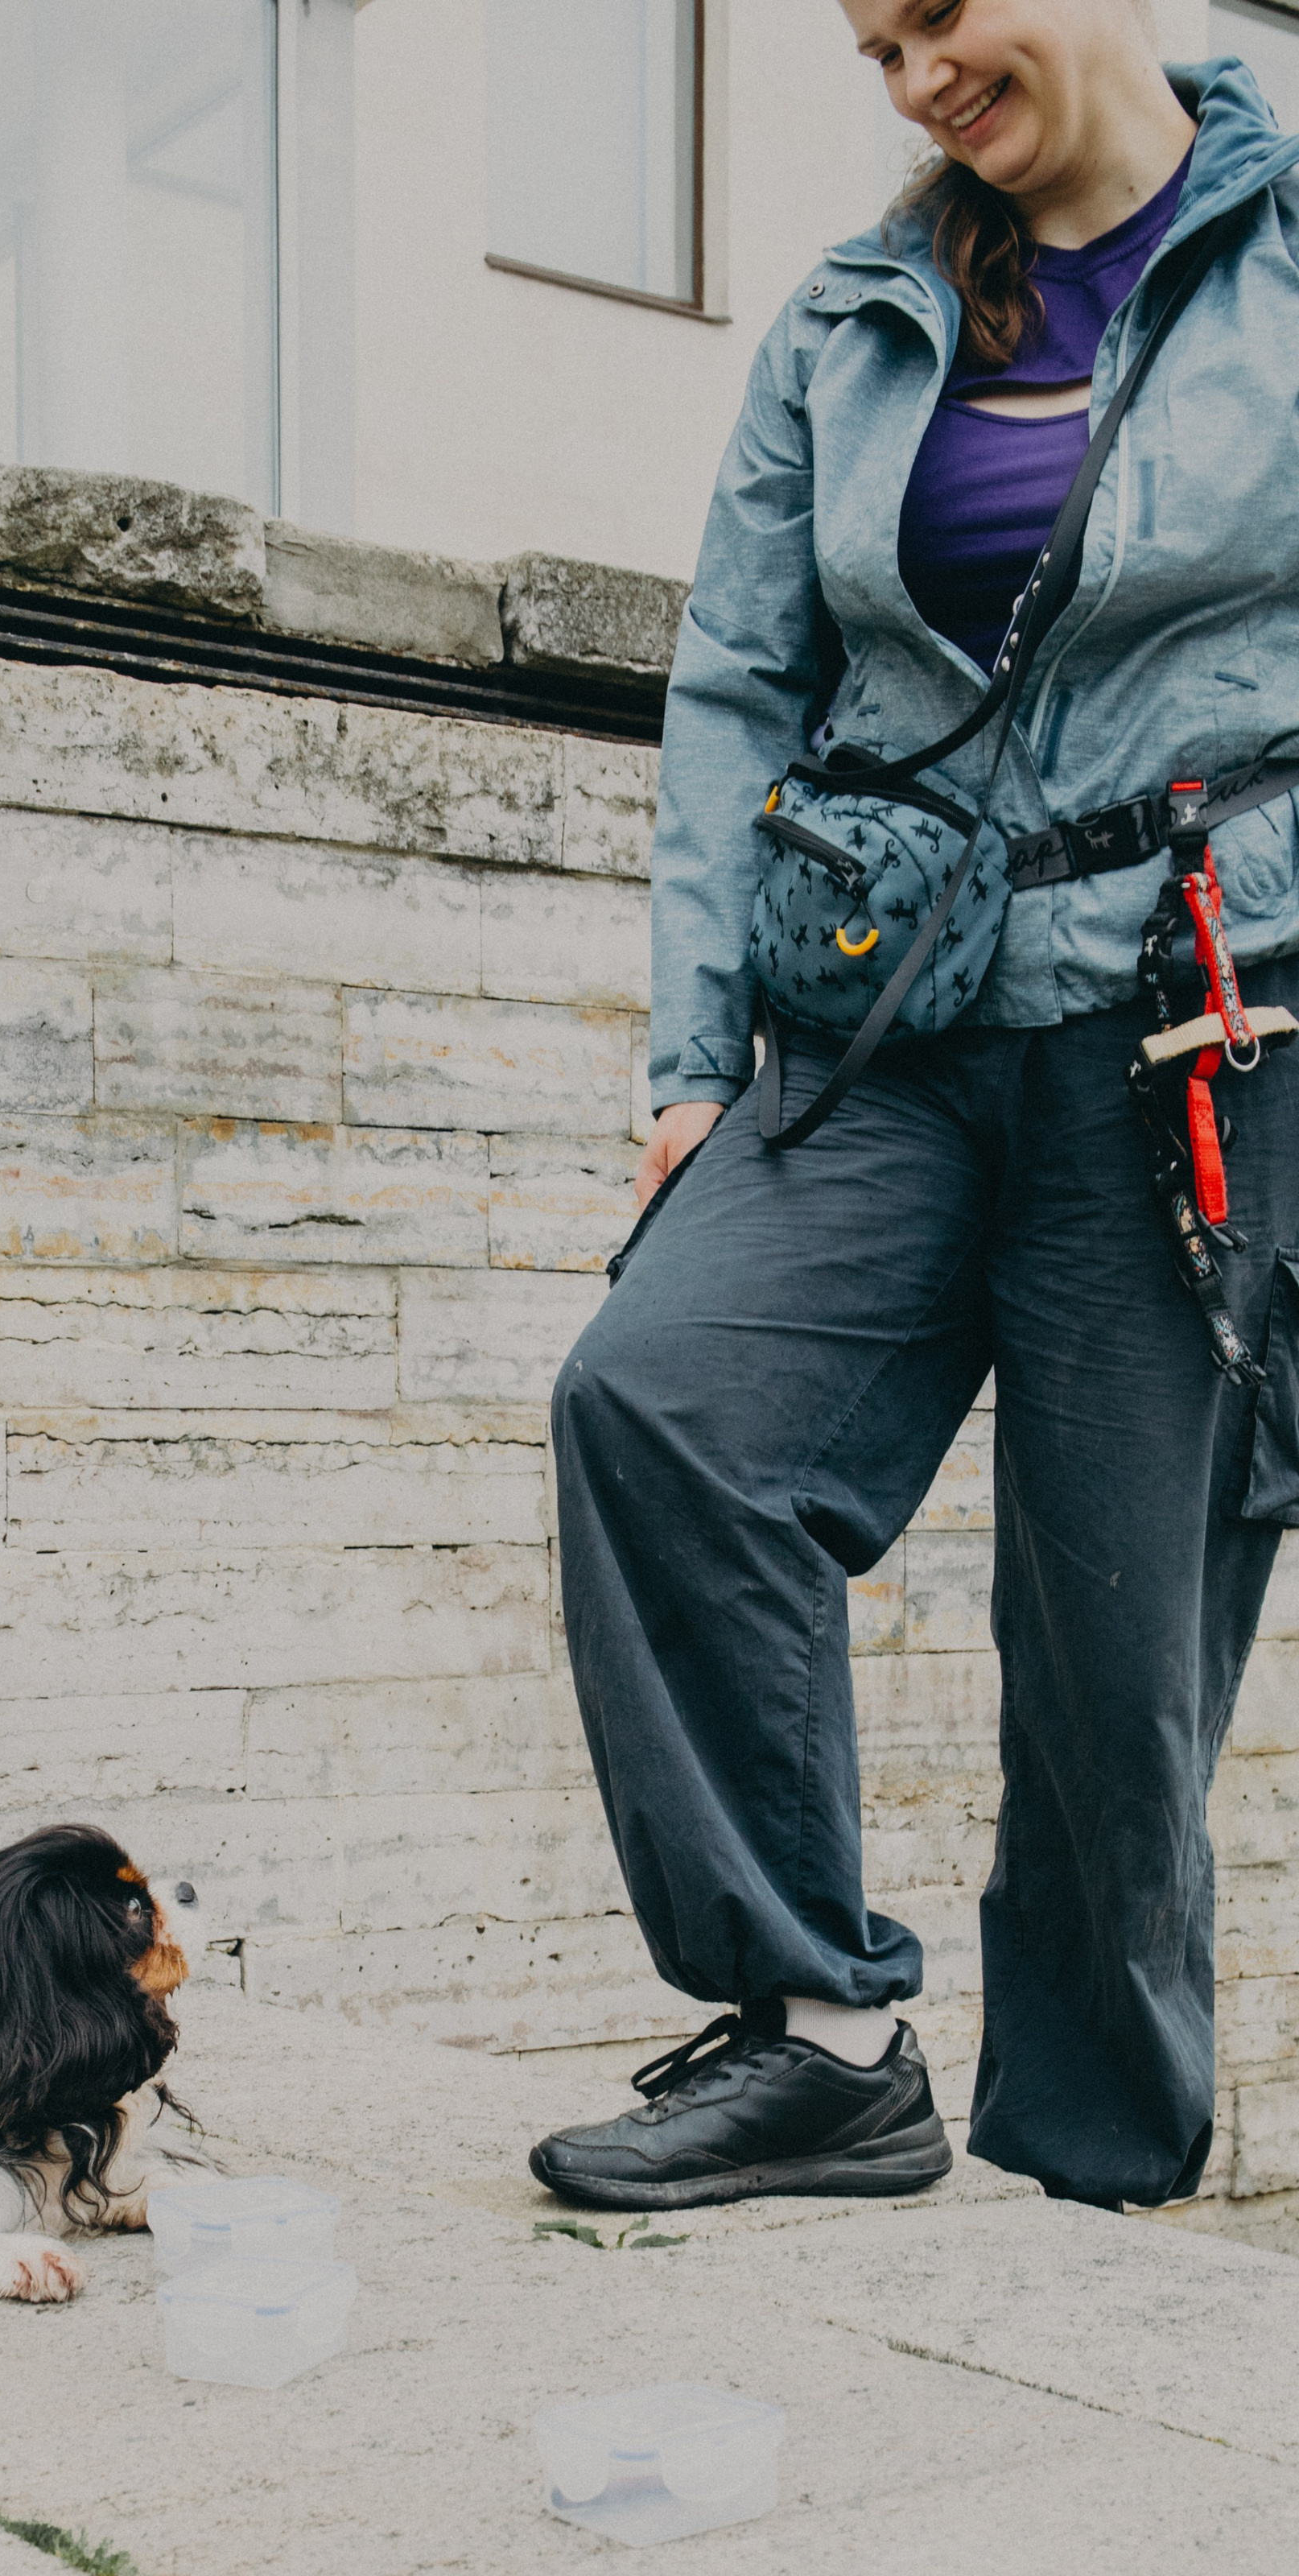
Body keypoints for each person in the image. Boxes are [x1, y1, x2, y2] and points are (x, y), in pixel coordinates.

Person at [534, 0, 1299, 2219]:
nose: (912, 81)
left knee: (1111, 1648)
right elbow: (740, 686)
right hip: (888, 1015)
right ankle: (821, 2038)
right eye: (871, 46)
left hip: (1195, 1034)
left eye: (938, 18)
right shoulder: (857, 315)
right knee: (658, 1403)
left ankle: (1088, 2187)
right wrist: (695, 1062)